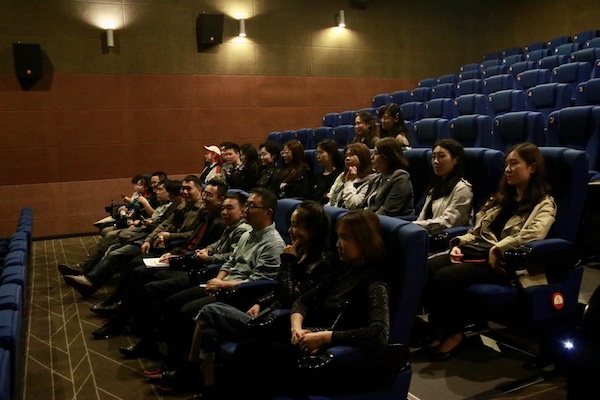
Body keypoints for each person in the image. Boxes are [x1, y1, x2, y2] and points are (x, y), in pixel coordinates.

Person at [158, 200, 333, 395]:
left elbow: (291, 298)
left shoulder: (318, 262)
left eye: (295, 225)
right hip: (265, 311)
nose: (290, 231)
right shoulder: (297, 251)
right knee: (209, 333)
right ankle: (209, 389)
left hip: (279, 323)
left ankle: (189, 370)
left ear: (313, 230)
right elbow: (277, 288)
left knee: (208, 310)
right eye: (290, 225)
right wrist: (259, 302)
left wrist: (288, 264)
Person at [222, 209, 390, 399]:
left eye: (344, 238)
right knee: (249, 351)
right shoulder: (342, 271)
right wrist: (297, 328)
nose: (337, 244)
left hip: (331, 360)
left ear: (363, 241)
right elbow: (302, 300)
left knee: (252, 357)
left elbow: (378, 334)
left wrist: (324, 338)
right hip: (306, 342)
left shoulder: (375, 282)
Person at [422, 143, 557, 361]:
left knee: (446, 277)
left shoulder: (544, 203)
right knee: (428, 267)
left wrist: (498, 248)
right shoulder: (500, 199)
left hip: (506, 262)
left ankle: (455, 333)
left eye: (514, 164)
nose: (508, 170)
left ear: (532, 167)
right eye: (506, 165)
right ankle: (440, 328)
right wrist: (458, 244)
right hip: (479, 252)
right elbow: (476, 231)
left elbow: (533, 235)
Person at [139, 187, 286, 375]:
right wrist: (217, 280)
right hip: (223, 284)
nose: (246, 210)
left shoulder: (273, 244)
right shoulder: (248, 234)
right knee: (172, 302)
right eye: (246, 205)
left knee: (185, 311)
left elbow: (260, 282)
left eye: (252, 206)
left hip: (240, 294)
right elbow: (231, 262)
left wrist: (222, 285)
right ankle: (171, 358)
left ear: (268, 212)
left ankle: (182, 368)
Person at [413, 139, 473, 233]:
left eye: (441, 156)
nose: (436, 161)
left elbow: (447, 222)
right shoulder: (435, 188)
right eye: (433, 157)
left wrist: (414, 226)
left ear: (456, 160)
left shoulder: (462, 188)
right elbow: (422, 217)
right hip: (426, 233)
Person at [362, 137, 414, 216]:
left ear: (387, 156)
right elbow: (363, 205)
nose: (371, 157)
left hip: (387, 222)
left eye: (376, 153)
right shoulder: (376, 179)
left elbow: (388, 211)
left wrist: (364, 220)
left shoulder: (400, 177)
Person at [326, 142, 376, 209]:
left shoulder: (372, 180)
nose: (347, 158)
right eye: (346, 156)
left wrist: (349, 182)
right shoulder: (342, 175)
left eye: (351, 155)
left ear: (362, 157)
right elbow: (330, 198)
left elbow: (353, 205)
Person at [309, 139, 343, 204]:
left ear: (331, 154)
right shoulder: (317, 176)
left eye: (321, 152)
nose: (318, 156)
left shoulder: (338, 176)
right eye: (317, 153)